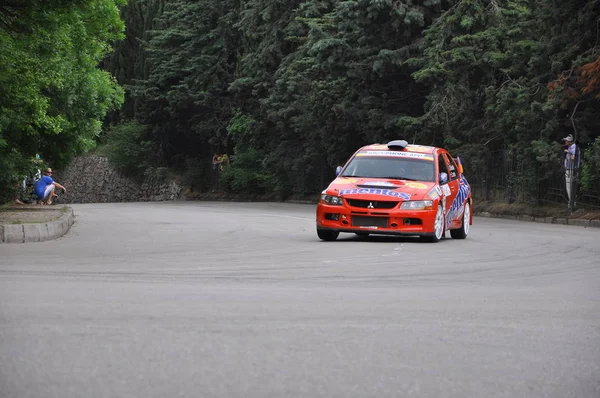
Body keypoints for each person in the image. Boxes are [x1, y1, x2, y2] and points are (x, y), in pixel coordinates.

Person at [562, 134, 580, 207]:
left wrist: (568, 152)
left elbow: (573, 158)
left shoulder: (574, 147)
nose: (565, 142)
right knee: (569, 187)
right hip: (570, 169)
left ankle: (572, 203)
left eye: (566, 140)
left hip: (572, 169)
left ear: (569, 141)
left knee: (570, 187)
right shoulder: (571, 147)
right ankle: (571, 202)